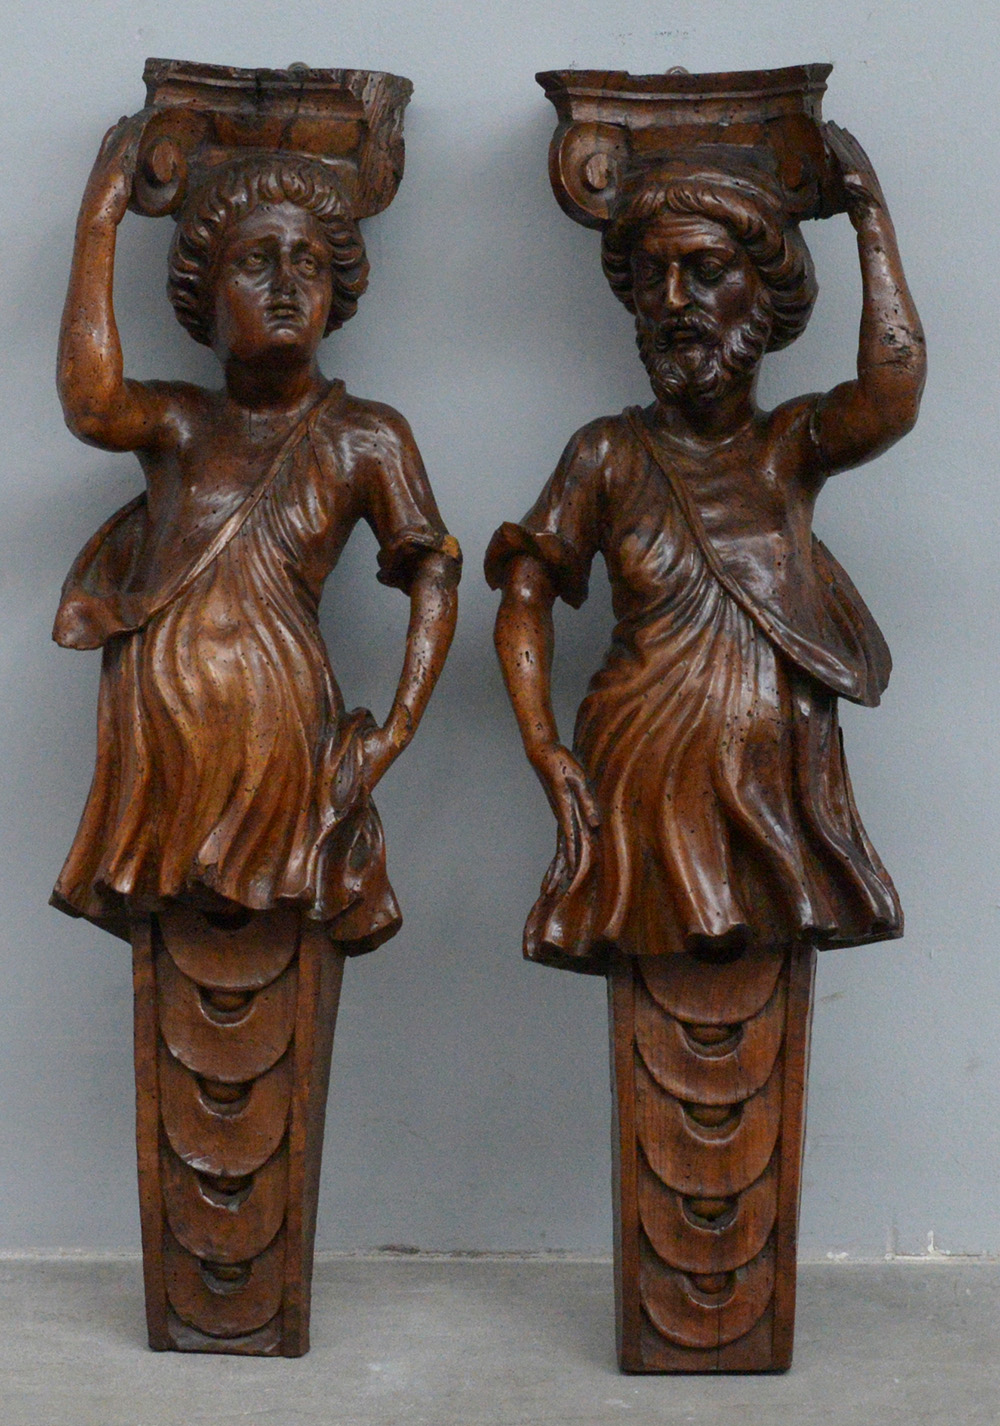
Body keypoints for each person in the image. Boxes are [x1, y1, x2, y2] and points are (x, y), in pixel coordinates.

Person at [486, 125, 925, 974]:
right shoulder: (606, 454)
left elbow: (892, 395)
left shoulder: (787, 446)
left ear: (762, 299)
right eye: (654, 276)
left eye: (707, 271)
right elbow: (525, 593)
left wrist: (872, 222)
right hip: (636, 765)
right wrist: (543, 746)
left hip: (778, 781)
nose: (675, 299)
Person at [52, 114, 461, 951]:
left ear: (336, 292)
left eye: (308, 263)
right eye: (254, 261)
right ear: (206, 299)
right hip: (158, 727)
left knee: (277, 951)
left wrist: (393, 733)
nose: (285, 285)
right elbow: (91, 404)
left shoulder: (365, 436)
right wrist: (100, 220)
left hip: (283, 730)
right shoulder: (181, 423)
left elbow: (434, 574)